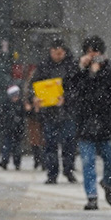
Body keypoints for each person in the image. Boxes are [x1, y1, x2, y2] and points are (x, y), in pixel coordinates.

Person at [64, 36, 111, 211]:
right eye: (89, 52)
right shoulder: (77, 70)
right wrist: (82, 69)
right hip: (85, 123)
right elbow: (70, 87)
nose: (92, 56)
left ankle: (107, 183)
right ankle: (91, 196)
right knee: (87, 161)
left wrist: (95, 74)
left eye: (95, 52)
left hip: (107, 124)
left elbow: (108, 95)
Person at [32, 39, 78, 185]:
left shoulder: (71, 66)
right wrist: (35, 98)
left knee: (69, 144)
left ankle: (68, 170)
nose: (57, 56)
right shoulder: (44, 66)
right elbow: (35, 84)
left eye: (59, 53)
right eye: (54, 53)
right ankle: (52, 173)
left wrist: (67, 98)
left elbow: (77, 88)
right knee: (50, 145)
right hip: (50, 111)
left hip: (67, 111)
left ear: (64, 52)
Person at [0, 84, 28, 170]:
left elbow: (23, 115)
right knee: (7, 146)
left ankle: (16, 163)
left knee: (16, 147)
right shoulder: (6, 104)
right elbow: (2, 116)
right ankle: (5, 161)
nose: (16, 97)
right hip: (9, 129)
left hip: (17, 129)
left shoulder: (20, 104)